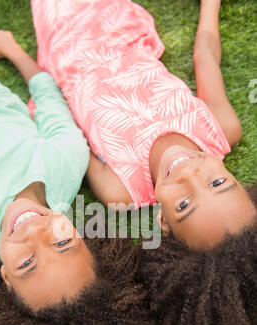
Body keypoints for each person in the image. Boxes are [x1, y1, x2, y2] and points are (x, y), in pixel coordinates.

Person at [0, 34, 153, 325]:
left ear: (5, 278)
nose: (34, 233)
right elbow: (49, 100)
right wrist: (14, 51)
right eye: (63, 243)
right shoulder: (66, 160)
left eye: (28, 263)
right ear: (82, 234)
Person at [28, 0, 256, 250]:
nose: (189, 174)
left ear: (163, 222)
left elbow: (68, 134)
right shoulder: (221, 129)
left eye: (183, 205)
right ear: (234, 178)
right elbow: (205, 57)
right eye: (217, 183)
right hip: (118, 26)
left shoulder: (121, 192)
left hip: (66, 48)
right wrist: (211, 5)